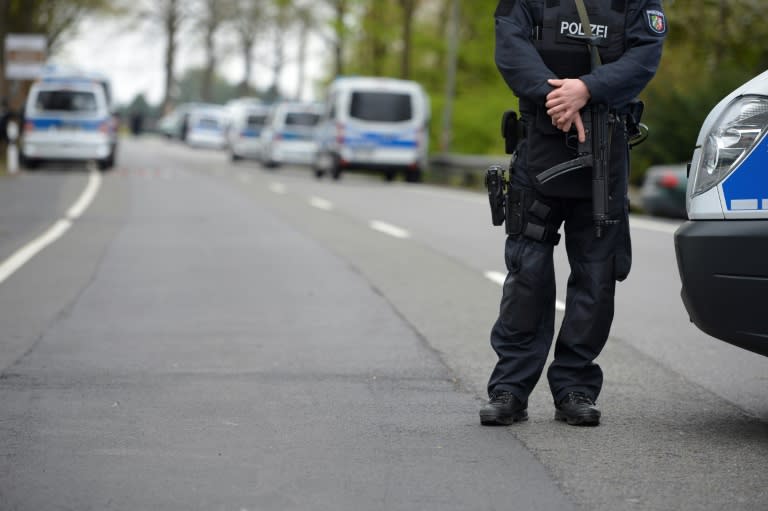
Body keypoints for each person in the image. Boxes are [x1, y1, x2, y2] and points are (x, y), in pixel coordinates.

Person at [480, 0, 667, 427]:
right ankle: (510, 388)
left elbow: (645, 56)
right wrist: (557, 98)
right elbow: (509, 45)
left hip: (606, 152)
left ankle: (575, 387)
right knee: (527, 275)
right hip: (541, 144)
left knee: (597, 280)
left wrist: (587, 89)